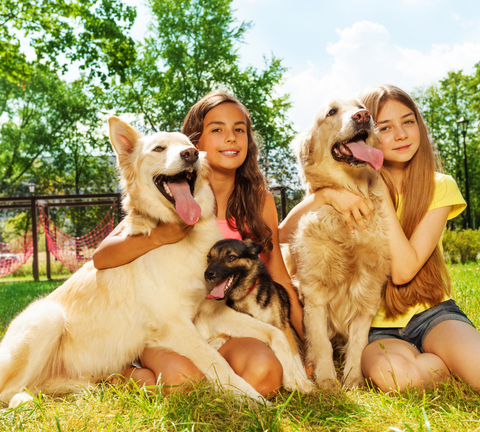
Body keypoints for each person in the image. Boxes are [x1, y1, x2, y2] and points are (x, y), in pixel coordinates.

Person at [93, 91, 304, 397]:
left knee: (264, 375)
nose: (230, 138)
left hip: (225, 322)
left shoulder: (259, 200)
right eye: (216, 130)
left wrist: (301, 344)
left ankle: (196, 370)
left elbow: (279, 277)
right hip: (169, 325)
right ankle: (127, 371)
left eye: (239, 130)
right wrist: (161, 235)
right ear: (195, 146)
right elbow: (102, 257)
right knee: (184, 382)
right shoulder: (165, 199)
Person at [279, 84, 480, 392]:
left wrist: (378, 191)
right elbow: (282, 233)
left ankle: (451, 353)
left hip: (432, 313)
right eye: (385, 127)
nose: (400, 135)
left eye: (409, 121)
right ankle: (441, 362)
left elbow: (401, 271)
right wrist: (330, 193)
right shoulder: (346, 181)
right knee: (397, 378)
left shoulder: (438, 186)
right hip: (378, 330)